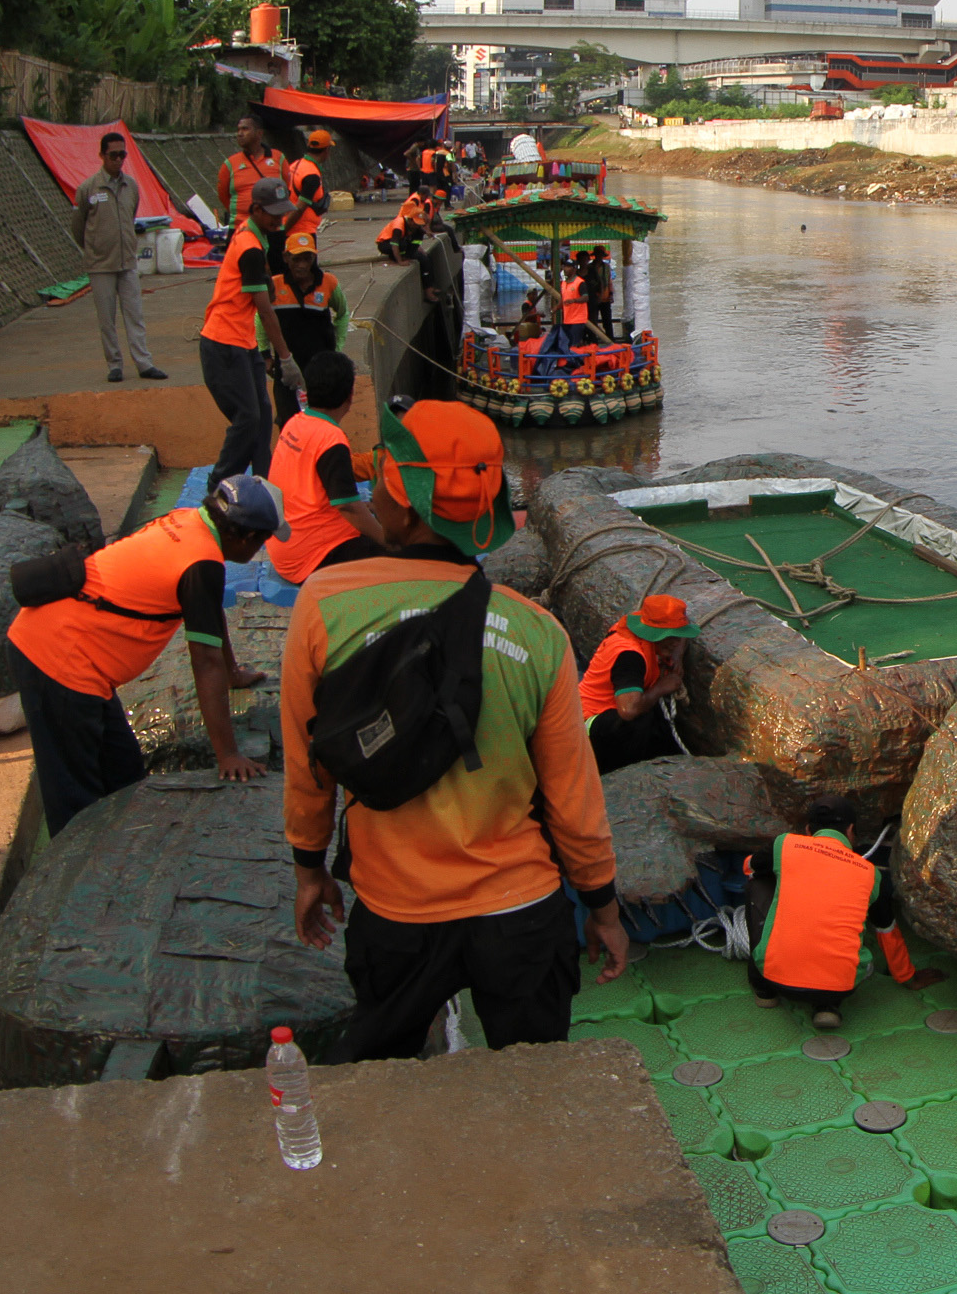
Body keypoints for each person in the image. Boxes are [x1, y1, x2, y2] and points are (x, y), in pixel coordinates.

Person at [283, 399, 629, 1059]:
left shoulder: (323, 606)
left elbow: (309, 766)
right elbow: (574, 800)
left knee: (387, 1081)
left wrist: (309, 869)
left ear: (406, 507)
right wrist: (603, 908)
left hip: (396, 911)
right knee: (534, 1085)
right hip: (520, 911)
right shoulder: (538, 633)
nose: (372, 492)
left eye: (382, 478)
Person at [7, 475, 280, 834]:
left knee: (123, 772)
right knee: (75, 795)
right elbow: (205, 661)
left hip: (82, 661)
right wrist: (227, 754)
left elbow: (211, 617)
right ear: (246, 536)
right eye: (262, 541)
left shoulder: (187, 520)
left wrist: (234, 673)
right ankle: (75, 861)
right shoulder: (201, 563)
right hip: (57, 660)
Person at [743, 795, 931, 1030]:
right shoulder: (870, 873)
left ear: (808, 830)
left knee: (757, 883)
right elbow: (886, 929)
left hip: (774, 977)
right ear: (851, 831)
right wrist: (907, 976)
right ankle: (827, 1007)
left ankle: (764, 991)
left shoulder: (785, 844)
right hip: (841, 987)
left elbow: (749, 867)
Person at [201, 178, 302, 490]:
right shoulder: (250, 248)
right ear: (256, 209)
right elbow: (266, 312)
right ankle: (217, 486)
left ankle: (263, 483)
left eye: (283, 213)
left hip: (243, 340)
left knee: (263, 414)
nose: (280, 220)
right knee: (248, 419)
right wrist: (285, 357)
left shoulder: (254, 235)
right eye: (274, 214)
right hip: (224, 341)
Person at [264, 351, 384, 583]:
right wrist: (387, 541)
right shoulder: (331, 439)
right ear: (349, 397)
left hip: (283, 546)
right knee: (399, 556)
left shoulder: (295, 423)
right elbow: (348, 506)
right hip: (310, 556)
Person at [70, 131, 165, 384]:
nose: (118, 160)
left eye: (122, 154)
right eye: (113, 155)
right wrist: (93, 248)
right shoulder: (88, 189)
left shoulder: (131, 186)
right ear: (102, 155)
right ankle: (114, 365)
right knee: (107, 318)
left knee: (135, 314)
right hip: (100, 264)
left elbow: (130, 216)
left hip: (127, 262)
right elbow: (78, 226)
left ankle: (144, 363)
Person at [579, 595, 698, 774]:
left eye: (678, 636)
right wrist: (662, 687)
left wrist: (677, 657)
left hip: (609, 712)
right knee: (639, 722)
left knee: (657, 724)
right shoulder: (629, 656)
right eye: (670, 637)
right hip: (589, 722)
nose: (676, 642)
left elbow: (682, 637)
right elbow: (628, 710)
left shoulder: (640, 627)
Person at [267, 249, 347, 425]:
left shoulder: (328, 282)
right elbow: (262, 318)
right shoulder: (275, 285)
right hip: (287, 366)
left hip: (320, 366)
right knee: (288, 419)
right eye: (296, 259)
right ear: (286, 258)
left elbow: (342, 314)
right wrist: (264, 352)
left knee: (322, 420)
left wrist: (338, 347)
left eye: (307, 259)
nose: (302, 265)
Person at [216, 116, 283, 228]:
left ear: (259, 133)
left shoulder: (278, 158)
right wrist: (242, 213)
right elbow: (223, 196)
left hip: (273, 227)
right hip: (240, 227)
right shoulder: (230, 163)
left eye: (245, 129)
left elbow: (287, 187)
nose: (240, 133)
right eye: (238, 129)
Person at [284, 128, 334, 263]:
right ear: (326, 150)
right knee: (306, 270)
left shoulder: (295, 165)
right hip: (302, 231)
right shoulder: (312, 175)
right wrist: (282, 232)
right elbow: (300, 208)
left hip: (289, 225)